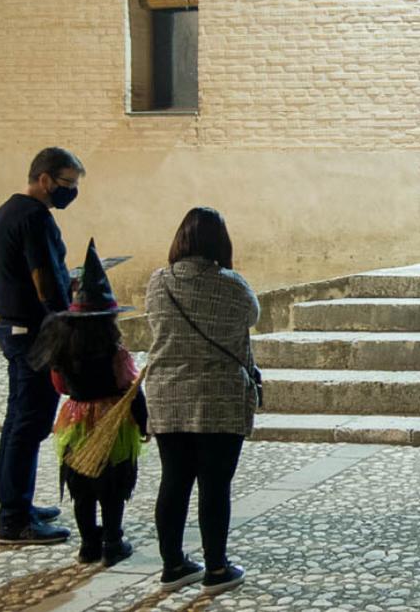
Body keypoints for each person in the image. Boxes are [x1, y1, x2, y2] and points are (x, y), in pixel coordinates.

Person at [144, 207, 259, 595]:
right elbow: (251, 315)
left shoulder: (157, 283)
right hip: (218, 398)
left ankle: (173, 565)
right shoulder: (233, 285)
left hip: (167, 395)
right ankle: (216, 568)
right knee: (215, 485)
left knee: (174, 480)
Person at [0, 146, 85, 544]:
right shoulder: (35, 218)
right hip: (34, 333)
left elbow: (2, 276)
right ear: (44, 179)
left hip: (12, 326)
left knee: (17, 422)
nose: (70, 193)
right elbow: (43, 279)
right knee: (29, 424)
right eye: (66, 184)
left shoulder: (2, 214)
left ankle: (17, 504)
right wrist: (67, 314)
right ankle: (14, 519)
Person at [29, 239, 146, 567]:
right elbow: (129, 386)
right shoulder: (115, 351)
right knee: (112, 484)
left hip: (76, 419)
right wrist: (143, 420)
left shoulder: (62, 349)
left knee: (81, 485)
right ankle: (112, 541)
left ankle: (88, 545)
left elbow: (59, 385)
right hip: (111, 420)